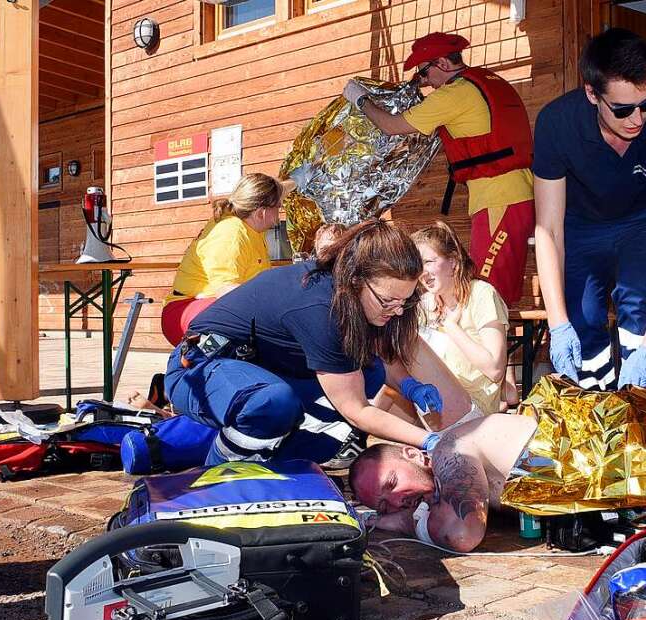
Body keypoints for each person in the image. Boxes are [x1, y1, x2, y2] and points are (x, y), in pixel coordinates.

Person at [165, 219, 469, 469]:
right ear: (356, 280)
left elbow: (378, 355)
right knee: (271, 404)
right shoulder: (319, 307)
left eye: (405, 301)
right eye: (388, 301)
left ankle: (264, 458)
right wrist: (429, 440)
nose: (397, 311)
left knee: (365, 382)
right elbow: (357, 411)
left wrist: (410, 386)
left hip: (254, 368)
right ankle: (217, 475)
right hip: (199, 368)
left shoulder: (355, 296)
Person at [533, 28, 646, 391]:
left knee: (639, 304)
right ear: (592, 94)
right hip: (579, 224)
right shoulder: (556, 124)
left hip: (645, 219)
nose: (637, 119)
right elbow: (548, 229)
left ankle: (645, 409)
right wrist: (557, 323)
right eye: (624, 109)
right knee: (582, 320)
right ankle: (594, 410)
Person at [342, 32, 534, 308]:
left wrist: (361, 100)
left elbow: (391, 126)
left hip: (498, 200)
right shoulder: (487, 81)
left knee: (488, 293)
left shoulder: (454, 94)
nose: (425, 82)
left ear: (443, 63)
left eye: (424, 72)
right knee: (499, 287)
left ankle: (490, 350)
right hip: (518, 195)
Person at [348, 411, 538, 552]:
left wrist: (403, 522)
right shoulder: (445, 481)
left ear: (413, 454)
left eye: (392, 482)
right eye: (384, 506)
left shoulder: (449, 450)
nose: (397, 501)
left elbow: (461, 535)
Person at [161, 173, 291, 347]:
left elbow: (282, 190)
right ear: (262, 212)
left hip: (208, 308)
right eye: (279, 207)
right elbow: (226, 292)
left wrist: (297, 179)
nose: (279, 214)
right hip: (188, 312)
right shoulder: (232, 233)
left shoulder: (250, 227)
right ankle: (196, 364)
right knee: (247, 326)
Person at [412, 221, 508, 416]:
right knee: (385, 393)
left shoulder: (481, 294)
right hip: (432, 398)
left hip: (473, 402)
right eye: (418, 265)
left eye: (429, 262)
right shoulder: (425, 303)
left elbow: (495, 370)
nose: (423, 272)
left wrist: (452, 328)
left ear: (453, 262)